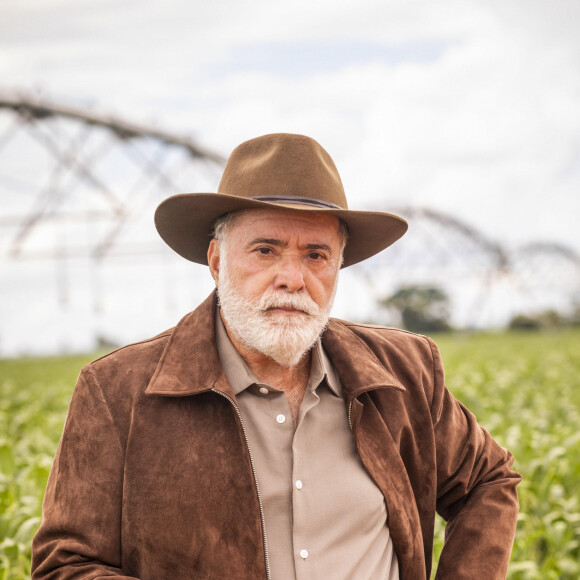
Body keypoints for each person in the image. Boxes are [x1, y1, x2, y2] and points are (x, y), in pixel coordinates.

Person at [32, 133, 520, 580]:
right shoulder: (117, 391)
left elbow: (489, 480)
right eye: (265, 250)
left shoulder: (405, 371)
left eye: (315, 255)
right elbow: (67, 565)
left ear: (337, 267)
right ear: (217, 261)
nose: (292, 277)